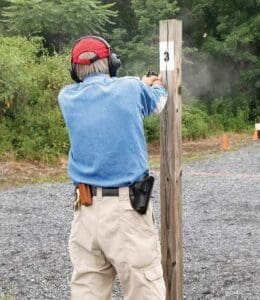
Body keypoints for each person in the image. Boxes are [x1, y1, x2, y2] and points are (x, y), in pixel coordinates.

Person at [58, 36, 168, 300]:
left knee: (87, 291)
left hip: (85, 213)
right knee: (144, 288)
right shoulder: (130, 88)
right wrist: (155, 84)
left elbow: (108, 95)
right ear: (112, 63)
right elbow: (157, 101)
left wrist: (137, 84)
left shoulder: (67, 97)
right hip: (126, 211)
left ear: (75, 70)